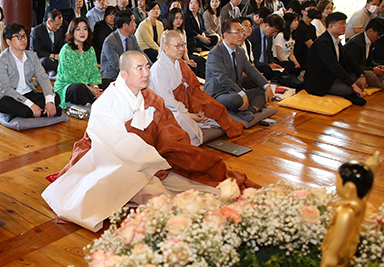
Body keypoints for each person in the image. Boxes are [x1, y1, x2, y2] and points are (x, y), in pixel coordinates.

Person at [42, 51, 258, 231]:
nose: (146, 73)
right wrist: (152, 162)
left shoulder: (148, 96)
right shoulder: (106, 103)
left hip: (144, 160)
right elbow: (114, 144)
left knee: (197, 181)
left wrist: (167, 154)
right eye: (140, 69)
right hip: (110, 162)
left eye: (147, 67)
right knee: (161, 201)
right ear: (124, 74)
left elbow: (167, 131)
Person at [150, 30, 243, 145]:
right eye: (177, 46)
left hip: (182, 105)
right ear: (165, 47)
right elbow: (167, 103)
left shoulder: (180, 63)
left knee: (213, 108)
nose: (181, 49)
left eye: (182, 45)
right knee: (187, 127)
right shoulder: (158, 70)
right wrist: (190, 115)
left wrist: (196, 108)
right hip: (168, 111)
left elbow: (191, 90)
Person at [205, 19, 274, 120]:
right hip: (219, 94)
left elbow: (251, 69)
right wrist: (241, 93)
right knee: (236, 99)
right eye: (237, 32)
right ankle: (245, 109)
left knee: (262, 91)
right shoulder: (215, 53)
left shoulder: (239, 50)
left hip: (235, 91)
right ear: (226, 35)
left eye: (242, 31)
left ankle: (248, 110)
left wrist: (266, 86)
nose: (242, 35)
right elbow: (223, 79)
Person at [0, 23, 59, 120]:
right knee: (4, 102)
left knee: (55, 97)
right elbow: (6, 89)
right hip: (8, 96)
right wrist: (31, 105)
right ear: (8, 41)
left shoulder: (32, 56)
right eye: (18, 37)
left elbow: (43, 78)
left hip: (28, 94)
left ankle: (23, 113)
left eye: (24, 36)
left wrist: (49, 102)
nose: (23, 39)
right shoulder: (0, 61)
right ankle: (32, 111)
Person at [304, 12, 368, 106]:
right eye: (341, 23)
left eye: (345, 23)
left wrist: (362, 75)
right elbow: (334, 65)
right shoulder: (323, 43)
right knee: (350, 87)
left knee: (357, 77)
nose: (345, 26)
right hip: (320, 81)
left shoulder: (336, 41)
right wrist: (353, 85)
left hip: (332, 77)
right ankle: (350, 93)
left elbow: (349, 60)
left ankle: (351, 92)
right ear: (331, 25)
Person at [54, 18, 102, 108]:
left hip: (87, 86)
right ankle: (94, 102)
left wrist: (95, 88)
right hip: (69, 86)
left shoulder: (90, 49)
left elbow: (94, 72)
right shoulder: (66, 50)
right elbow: (70, 78)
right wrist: (91, 90)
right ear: (72, 32)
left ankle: (94, 99)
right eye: (78, 29)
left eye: (85, 29)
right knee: (79, 88)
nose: (82, 32)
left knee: (109, 82)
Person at [345, 18, 384, 89]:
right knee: (370, 74)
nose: (379, 38)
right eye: (378, 35)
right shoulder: (355, 43)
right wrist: (372, 69)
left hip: (364, 68)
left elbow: (369, 61)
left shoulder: (370, 41)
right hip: (354, 72)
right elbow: (353, 66)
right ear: (370, 31)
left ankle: (372, 83)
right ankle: (381, 85)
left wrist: (378, 66)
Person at [100, 9, 141, 84]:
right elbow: (116, 65)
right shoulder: (110, 41)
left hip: (128, 74)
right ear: (125, 25)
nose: (135, 24)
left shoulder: (132, 37)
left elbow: (141, 55)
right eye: (133, 22)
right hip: (111, 77)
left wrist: (151, 67)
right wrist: (135, 71)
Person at [30, 9, 66, 73]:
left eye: (60, 25)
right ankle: (63, 71)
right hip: (41, 58)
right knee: (45, 60)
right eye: (56, 25)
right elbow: (36, 51)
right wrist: (53, 56)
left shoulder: (59, 31)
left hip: (54, 59)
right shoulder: (37, 31)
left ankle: (58, 71)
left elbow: (60, 47)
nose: (58, 27)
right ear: (49, 22)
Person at [272, 12, 302, 78]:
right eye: (294, 21)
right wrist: (289, 64)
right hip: (278, 62)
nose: (297, 23)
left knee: (299, 68)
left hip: (287, 62)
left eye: (297, 20)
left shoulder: (292, 36)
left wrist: (296, 63)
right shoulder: (281, 36)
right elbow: (279, 55)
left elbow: (291, 54)